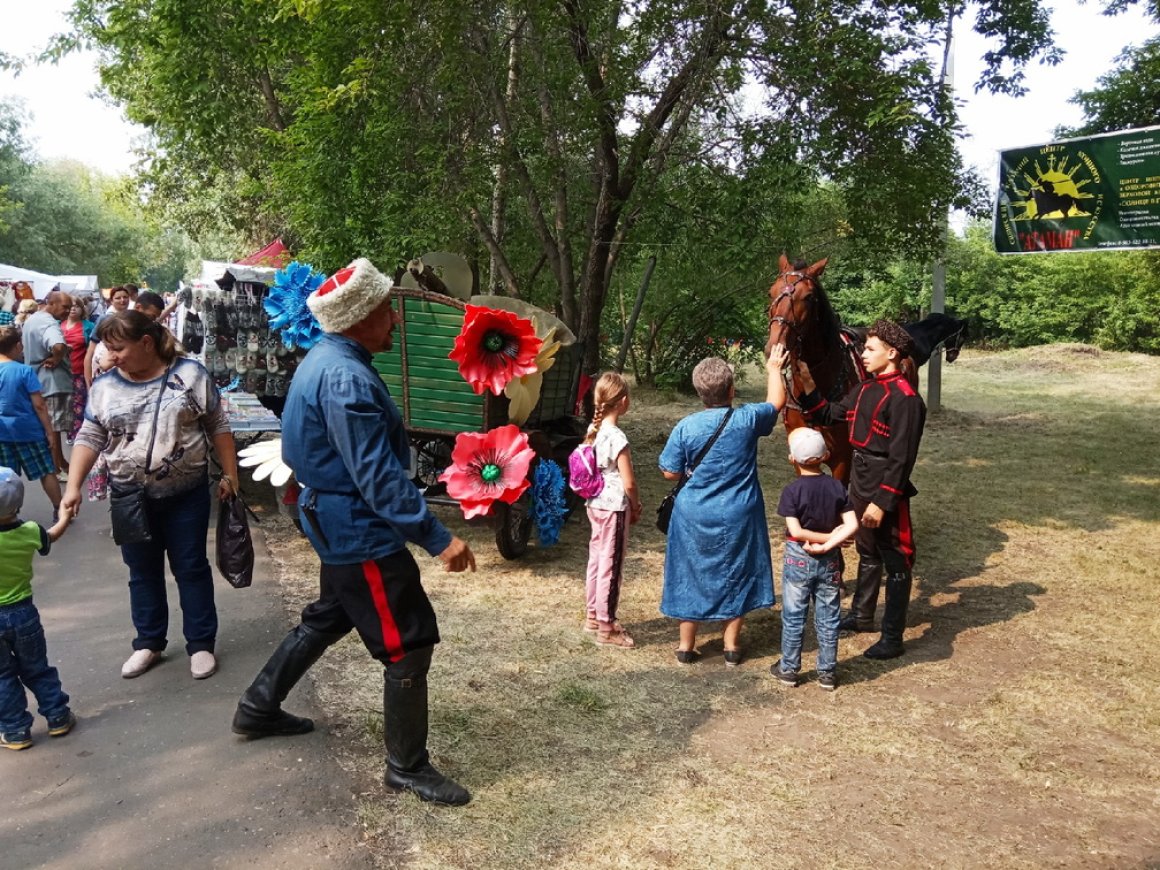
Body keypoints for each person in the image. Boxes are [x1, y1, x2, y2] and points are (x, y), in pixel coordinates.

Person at [231, 258, 477, 807]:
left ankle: (258, 707)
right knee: (407, 643)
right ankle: (407, 767)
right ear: (361, 317)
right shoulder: (345, 377)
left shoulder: (325, 360)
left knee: (331, 614)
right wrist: (439, 538)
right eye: (387, 310)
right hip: (360, 531)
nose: (394, 319)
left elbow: (302, 451)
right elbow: (378, 477)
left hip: (336, 521)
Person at [61, 310, 240, 681]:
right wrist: (73, 486)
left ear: (146, 343)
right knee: (141, 572)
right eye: (109, 349)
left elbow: (217, 425)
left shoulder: (190, 376)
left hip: (185, 495)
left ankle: (201, 644)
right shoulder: (105, 386)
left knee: (190, 567)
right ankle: (148, 642)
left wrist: (231, 473)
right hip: (128, 497)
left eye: (118, 348)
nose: (111, 356)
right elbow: (89, 436)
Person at [795, 319, 927, 659]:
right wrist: (808, 385)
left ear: (892, 353)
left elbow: (901, 458)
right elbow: (828, 414)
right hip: (861, 478)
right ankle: (862, 615)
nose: (862, 354)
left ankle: (893, 638)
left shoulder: (906, 399)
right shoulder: (866, 388)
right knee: (867, 551)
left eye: (869, 349)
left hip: (886, 485)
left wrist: (882, 502)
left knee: (896, 559)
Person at [658, 345, 789, 666]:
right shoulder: (746, 419)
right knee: (738, 570)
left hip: (692, 513)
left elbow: (669, 471)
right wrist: (774, 367)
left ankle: (686, 646)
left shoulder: (686, 426)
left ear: (699, 392)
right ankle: (731, 645)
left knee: (690, 571)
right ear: (732, 390)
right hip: (738, 512)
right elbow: (777, 403)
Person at [771, 427, 858, 690]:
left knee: (794, 615)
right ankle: (827, 673)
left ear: (792, 459)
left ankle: (788, 669)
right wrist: (831, 541)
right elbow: (852, 525)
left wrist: (817, 542)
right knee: (829, 617)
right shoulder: (837, 488)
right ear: (827, 455)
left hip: (798, 557)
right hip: (829, 560)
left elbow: (796, 532)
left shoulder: (792, 491)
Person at [0, 467, 75, 750]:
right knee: (37, 668)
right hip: (24, 613)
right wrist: (65, 515)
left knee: (3, 675)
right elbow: (52, 535)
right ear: (18, 504)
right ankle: (57, 716)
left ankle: (16, 730)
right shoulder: (29, 531)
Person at [582, 372, 642, 649]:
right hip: (614, 506)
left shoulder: (593, 433)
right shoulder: (617, 437)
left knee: (597, 559)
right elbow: (628, 481)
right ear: (624, 402)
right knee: (611, 564)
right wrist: (636, 504)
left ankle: (593, 615)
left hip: (595, 503)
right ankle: (607, 627)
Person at [0, 328, 64, 519]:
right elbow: (39, 405)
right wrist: (49, 431)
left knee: (5, 477)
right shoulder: (24, 371)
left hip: (2, 433)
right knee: (46, 471)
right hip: (29, 430)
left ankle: (7, 513)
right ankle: (59, 509)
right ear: (18, 345)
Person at [20, 291, 73, 479]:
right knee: (54, 428)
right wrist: (57, 356)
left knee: (50, 427)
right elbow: (57, 345)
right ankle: (56, 468)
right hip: (52, 381)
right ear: (51, 303)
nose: (68, 311)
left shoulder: (32, 319)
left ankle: (61, 463)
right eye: (65, 307)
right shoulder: (49, 322)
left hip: (37, 378)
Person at [61, 297, 95, 443]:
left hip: (80, 372)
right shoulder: (57, 325)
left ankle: (78, 434)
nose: (73, 309)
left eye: (77, 306)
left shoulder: (88, 326)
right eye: (70, 306)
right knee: (66, 405)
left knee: (79, 404)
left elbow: (92, 351)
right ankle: (69, 432)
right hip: (61, 373)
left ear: (83, 309)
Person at [85, 286, 132, 387]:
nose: (122, 300)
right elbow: (90, 351)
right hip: (105, 372)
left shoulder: (132, 319)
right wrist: (88, 381)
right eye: (118, 298)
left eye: (125, 297)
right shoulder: (105, 319)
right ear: (111, 301)